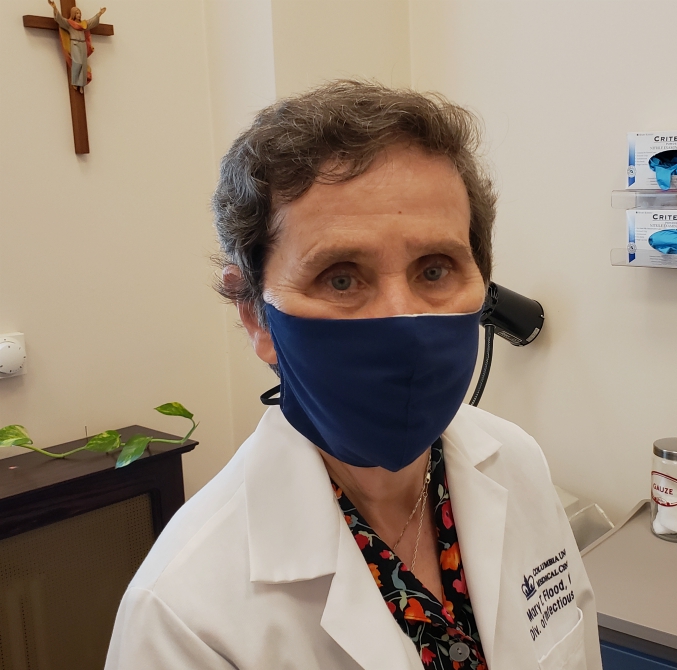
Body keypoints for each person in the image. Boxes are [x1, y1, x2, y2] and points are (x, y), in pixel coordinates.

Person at [105, 81, 601, 670]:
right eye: (341, 277)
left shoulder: (517, 462)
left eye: (435, 269)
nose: (402, 317)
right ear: (255, 317)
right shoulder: (181, 617)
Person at [47, 0, 106, 93]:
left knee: (83, 64)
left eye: (80, 13)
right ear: (73, 14)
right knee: (77, 63)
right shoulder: (69, 24)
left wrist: (99, 14)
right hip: (75, 44)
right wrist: (54, 7)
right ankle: (75, 82)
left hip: (83, 44)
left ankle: (81, 85)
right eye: (77, 13)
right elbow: (60, 19)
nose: (79, 14)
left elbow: (91, 21)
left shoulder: (83, 24)